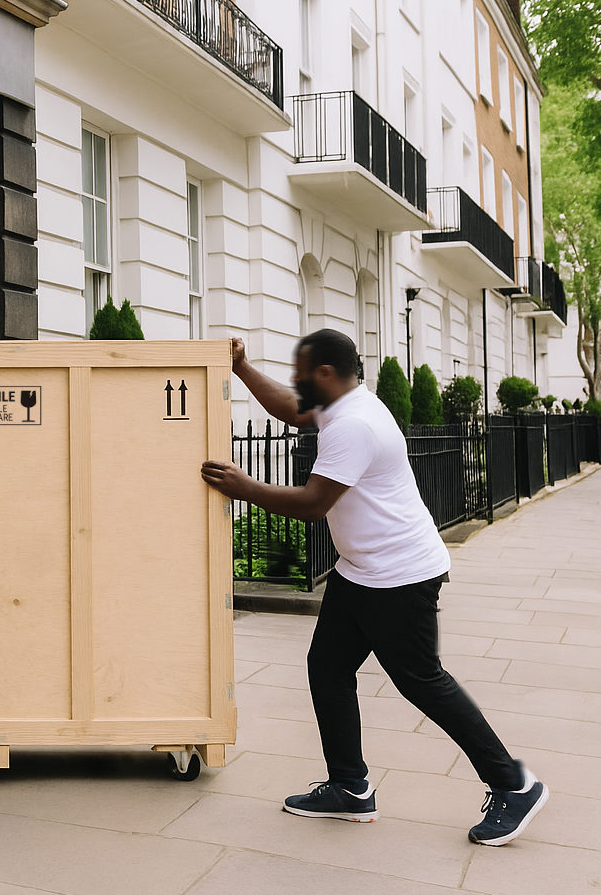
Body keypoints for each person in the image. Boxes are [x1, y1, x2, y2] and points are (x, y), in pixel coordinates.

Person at [200, 330, 548, 847]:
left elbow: (314, 504)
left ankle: (513, 784)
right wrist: (243, 367)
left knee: (422, 681)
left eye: (301, 370)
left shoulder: (355, 424)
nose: (296, 380)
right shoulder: (345, 403)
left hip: (399, 575)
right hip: (360, 570)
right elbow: (293, 412)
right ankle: (350, 787)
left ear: (323, 374)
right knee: (328, 668)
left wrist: (243, 486)